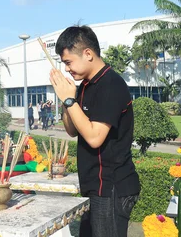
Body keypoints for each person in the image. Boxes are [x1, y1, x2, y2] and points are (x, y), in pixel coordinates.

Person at [49, 26, 140, 237]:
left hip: (112, 186)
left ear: (88, 54)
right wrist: (66, 100)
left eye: (68, 62)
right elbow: (72, 130)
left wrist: (71, 100)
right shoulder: (85, 86)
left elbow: (94, 137)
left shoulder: (111, 84)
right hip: (94, 186)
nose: (67, 69)